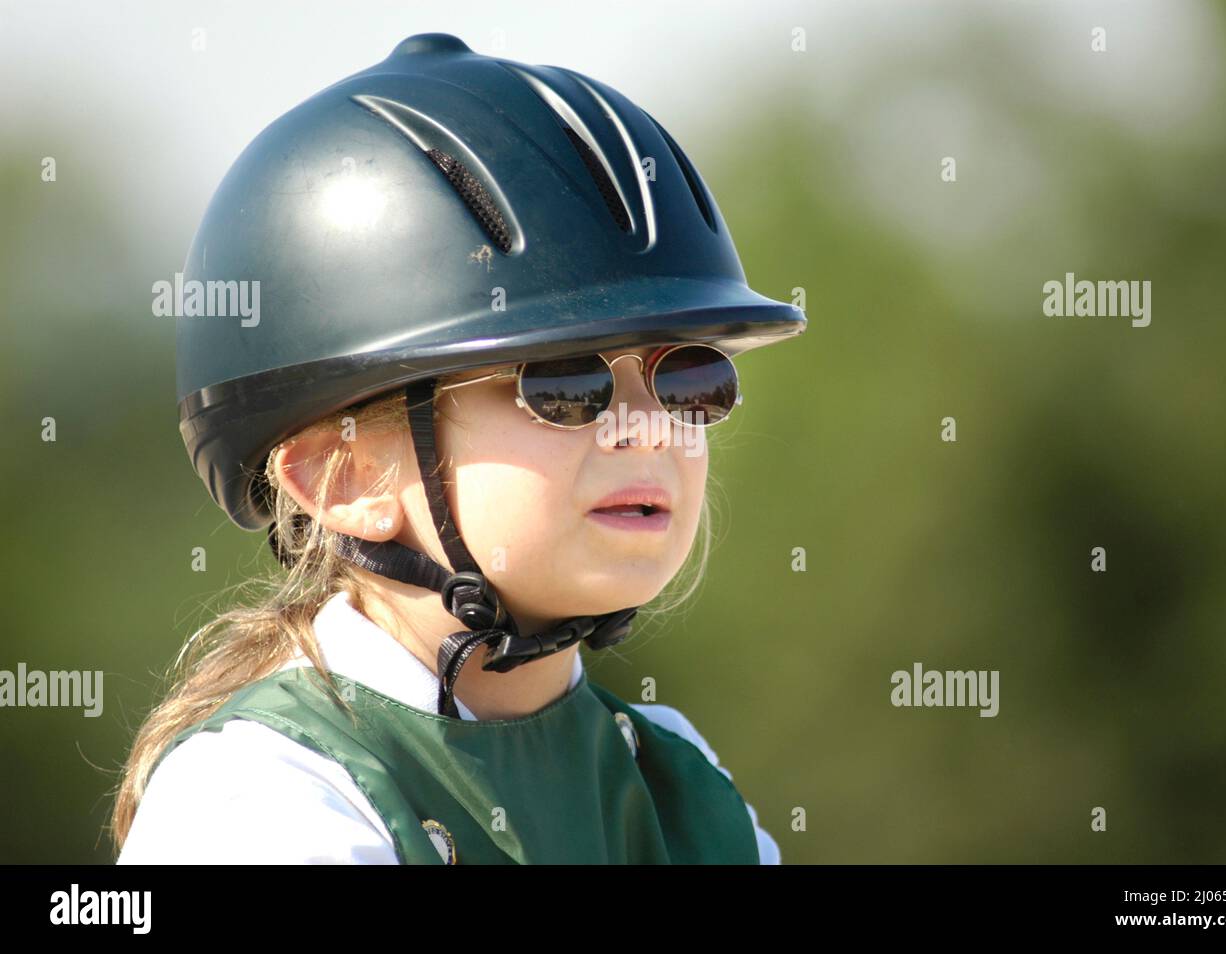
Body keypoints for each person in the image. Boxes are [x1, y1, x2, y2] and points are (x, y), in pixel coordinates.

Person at [112, 32, 806, 864]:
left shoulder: (675, 781)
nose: (648, 426)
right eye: (562, 385)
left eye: (687, 378)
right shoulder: (263, 801)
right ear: (341, 476)